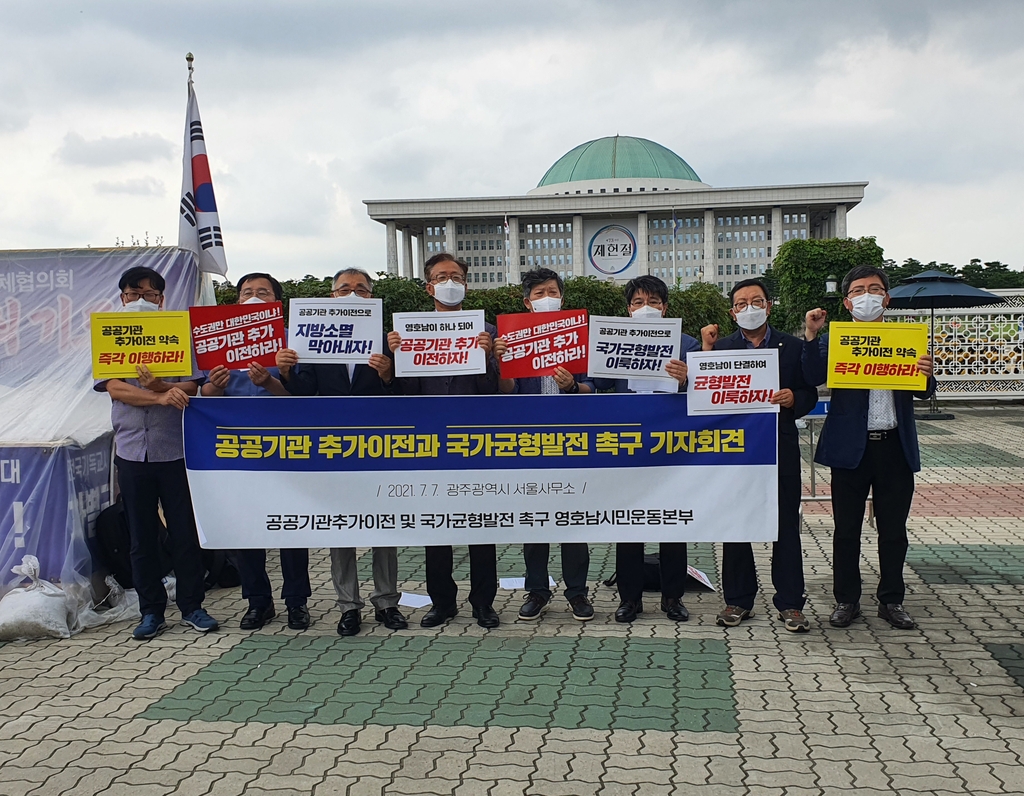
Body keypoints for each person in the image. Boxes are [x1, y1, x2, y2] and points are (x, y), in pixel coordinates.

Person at [802, 265, 936, 630]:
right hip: (850, 450)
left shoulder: (906, 339)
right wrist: (811, 334)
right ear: (847, 302)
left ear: (886, 298)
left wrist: (926, 371)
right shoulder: (836, 340)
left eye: (874, 289)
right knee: (846, 530)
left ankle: (891, 600)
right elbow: (813, 377)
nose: (867, 296)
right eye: (859, 290)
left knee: (893, 531)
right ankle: (846, 600)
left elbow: (924, 390)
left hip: (894, 446)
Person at [275, 267, 406, 638]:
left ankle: (387, 602)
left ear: (372, 298)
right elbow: (302, 396)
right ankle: (348, 606)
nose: (352, 295)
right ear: (331, 297)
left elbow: (402, 400)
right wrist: (286, 372)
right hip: (334, 450)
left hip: (380, 448)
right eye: (344, 289)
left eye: (361, 290)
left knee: (383, 528)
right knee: (341, 528)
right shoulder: (310, 342)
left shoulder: (387, 343)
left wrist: (387, 375)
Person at [94, 266, 219, 640]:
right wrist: (160, 396)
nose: (141, 301)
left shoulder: (179, 335)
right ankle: (151, 611)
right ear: (122, 298)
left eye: (150, 295)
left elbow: (192, 386)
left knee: (183, 532)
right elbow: (115, 388)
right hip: (132, 452)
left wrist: (165, 387)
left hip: (176, 451)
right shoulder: (109, 336)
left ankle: (193, 606)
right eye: (134, 295)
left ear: (162, 300)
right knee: (141, 536)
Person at [387, 252, 502, 629]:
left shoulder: (487, 332)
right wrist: (397, 358)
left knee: (481, 526)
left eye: (455, 275)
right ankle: (442, 602)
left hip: (476, 441)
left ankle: (484, 602)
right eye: (441, 276)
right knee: (436, 527)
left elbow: (495, 392)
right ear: (429, 286)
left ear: (465, 284)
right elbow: (405, 395)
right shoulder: (410, 332)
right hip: (431, 442)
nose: (449, 281)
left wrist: (488, 358)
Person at [700, 278, 817, 632]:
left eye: (756, 301)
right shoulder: (720, 348)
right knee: (736, 525)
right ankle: (738, 600)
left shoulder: (792, 346)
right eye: (741, 303)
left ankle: (791, 603)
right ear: (732, 311)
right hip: (734, 451)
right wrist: (706, 351)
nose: (749, 308)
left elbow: (809, 391)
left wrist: (793, 399)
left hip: (779, 447)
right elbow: (705, 399)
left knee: (785, 527)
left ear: (769, 305)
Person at [200, 272, 312, 632]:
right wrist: (214, 388)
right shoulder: (218, 339)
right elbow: (203, 397)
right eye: (247, 292)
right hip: (235, 450)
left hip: (283, 447)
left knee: (290, 526)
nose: (254, 297)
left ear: (276, 302)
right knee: (245, 527)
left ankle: (296, 602)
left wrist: (272, 381)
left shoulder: (291, 342)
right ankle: (258, 602)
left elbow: (301, 401)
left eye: (262, 292)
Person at [492, 268, 595, 623]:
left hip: (571, 441)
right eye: (539, 293)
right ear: (527, 302)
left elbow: (592, 388)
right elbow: (505, 392)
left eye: (552, 291)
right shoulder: (515, 337)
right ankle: (536, 590)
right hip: (529, 442)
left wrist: (571, 386)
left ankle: (578, 593)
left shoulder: (577, 334)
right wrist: (503, 360)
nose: (546, 297)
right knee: (534, 521)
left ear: (562, 298)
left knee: (573, 520)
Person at [595, 275, 699, 624]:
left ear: (665, 307)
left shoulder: (688, 344)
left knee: (671, 521)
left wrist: (687, 380)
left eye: (653, 302)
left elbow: (703, 396)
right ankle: (630, 598)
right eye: (638, 302)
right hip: (627, 447)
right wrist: (573, 384)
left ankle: (673, 597)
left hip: (671, 447)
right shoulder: (613, 341)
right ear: (628, 309)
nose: (646, 309)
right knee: (629, 523)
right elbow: (595, 384)